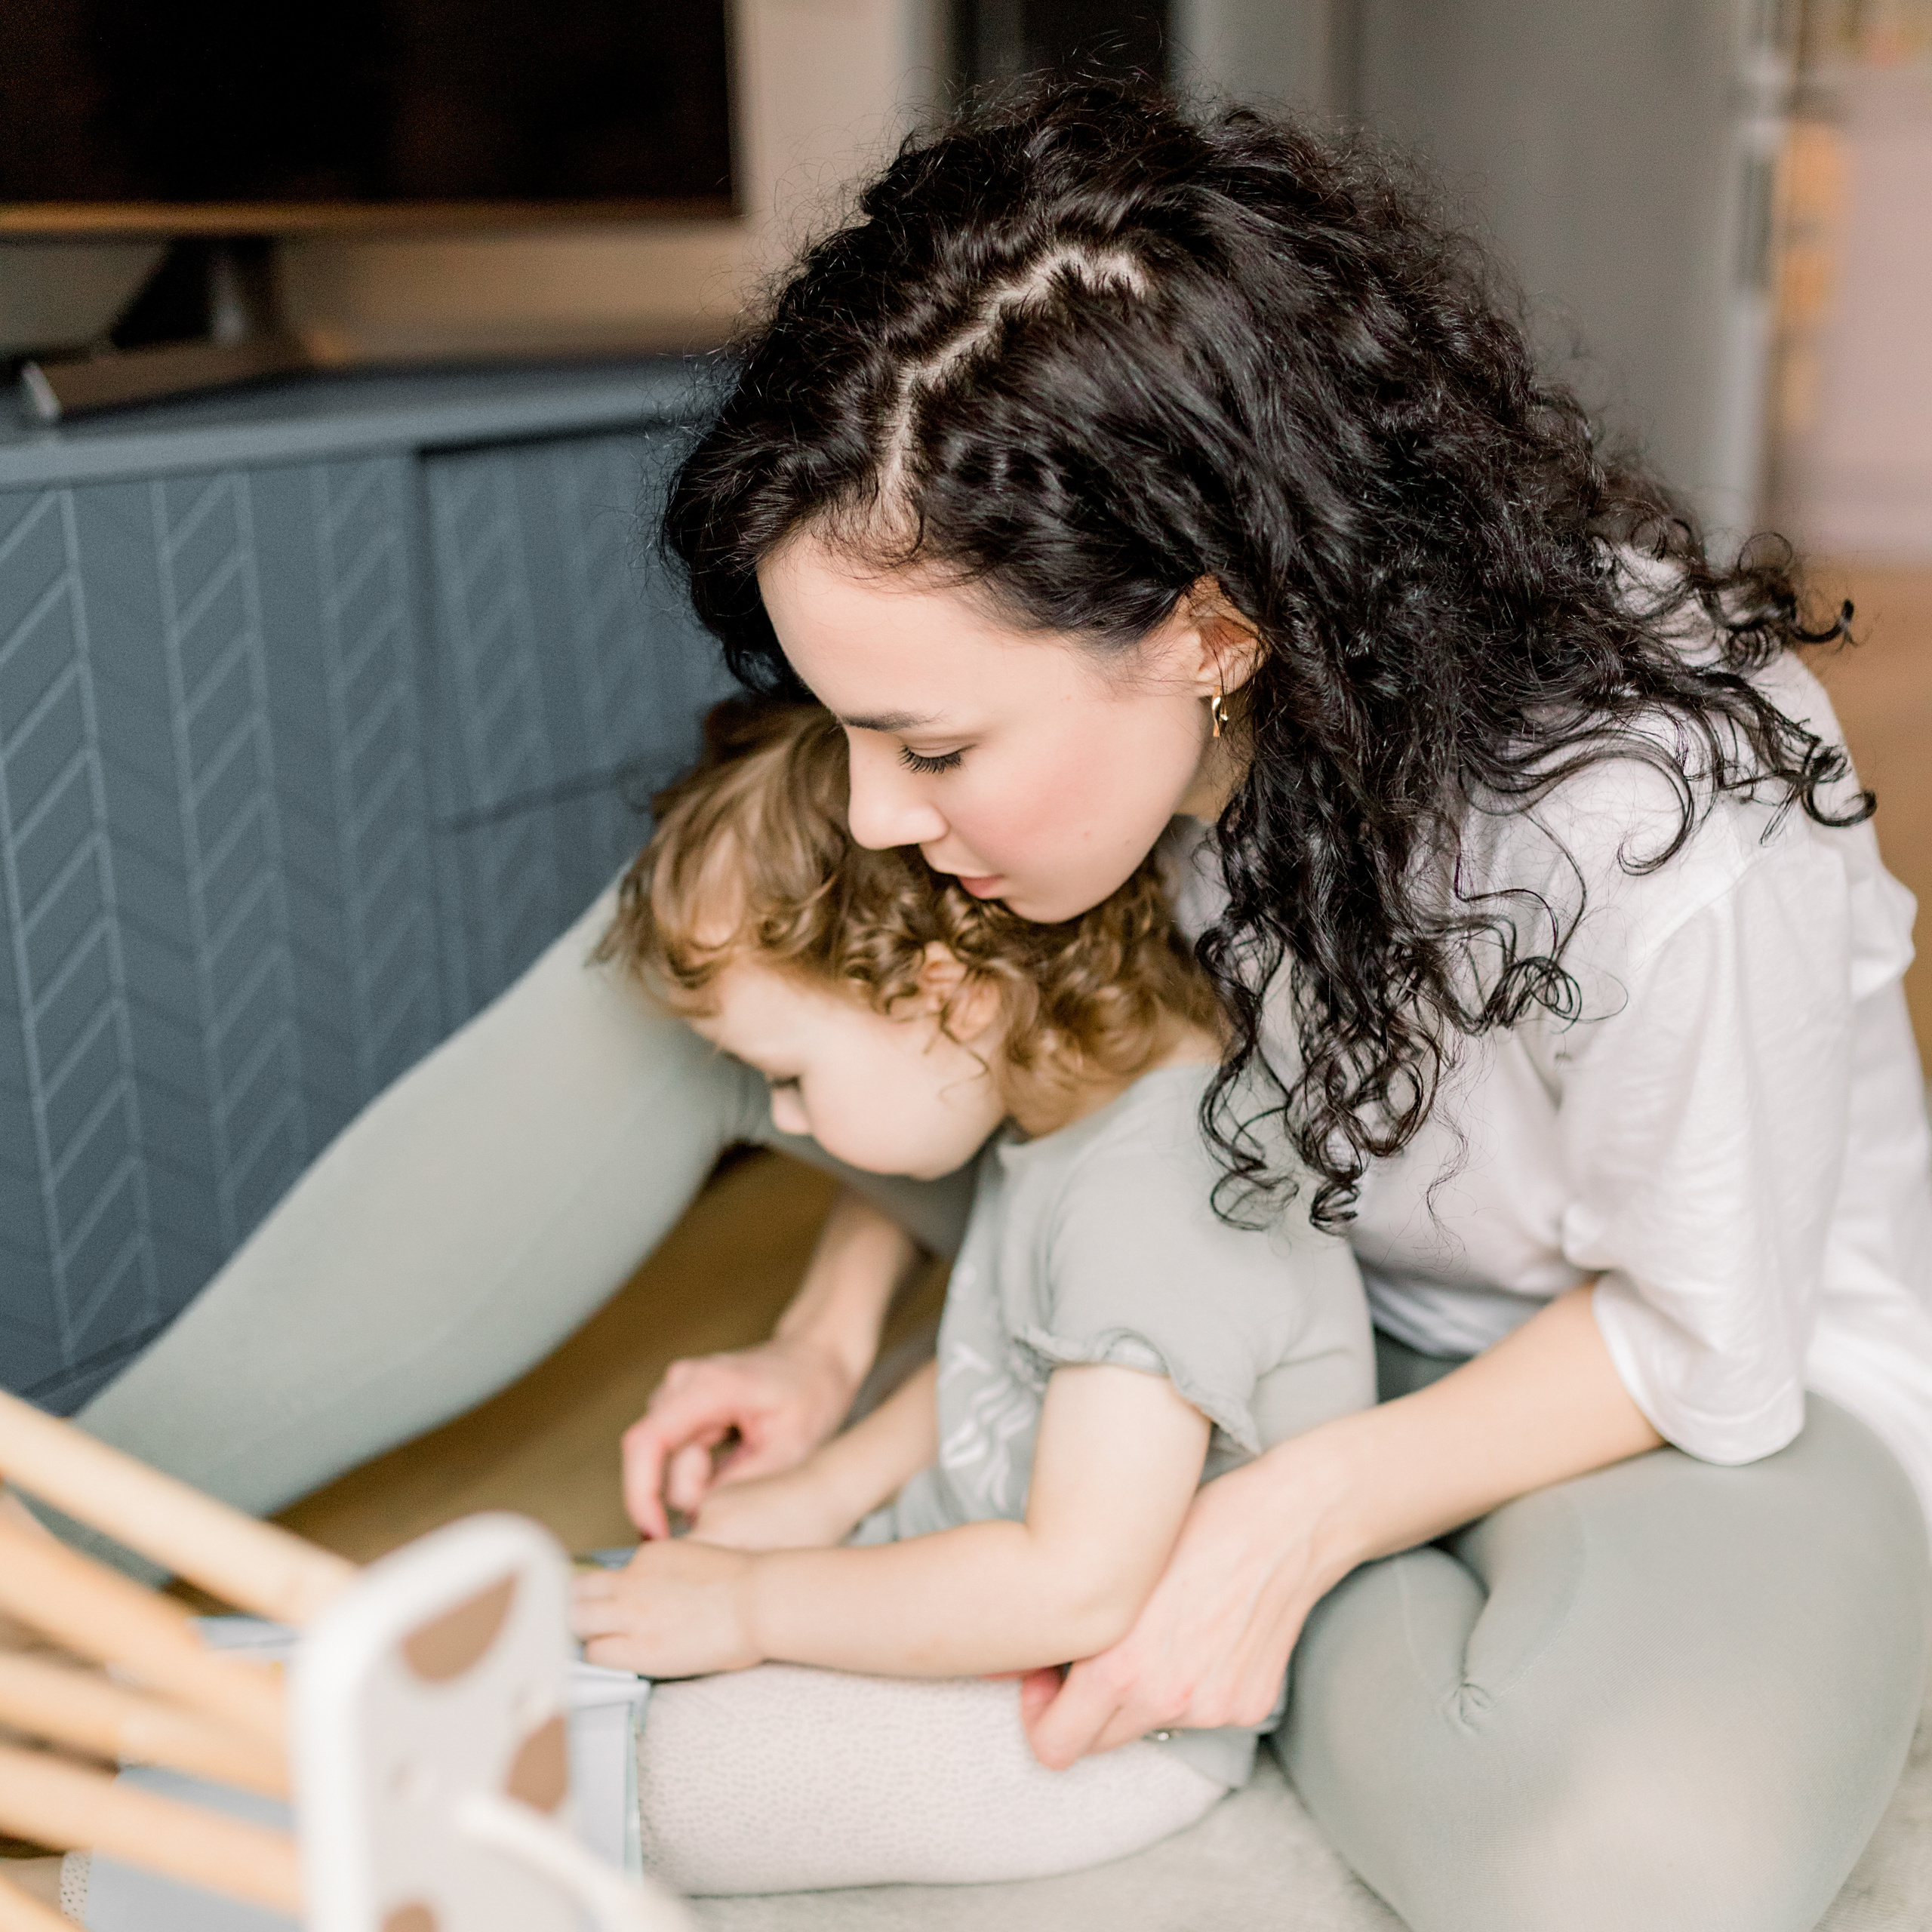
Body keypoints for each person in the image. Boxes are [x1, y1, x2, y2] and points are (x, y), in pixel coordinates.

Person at [52, 79, 1932, 1931]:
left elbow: (1712, 1335)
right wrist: (823, 1328)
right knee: (706, 934)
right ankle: (61, 1539)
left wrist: (1282, 1517)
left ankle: (1132, 1584)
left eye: (931, 739)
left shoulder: (1670, 816)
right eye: (850, 722)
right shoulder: (1074, 697)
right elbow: (936, 1029)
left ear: (1210, 629)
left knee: (1627, 1871)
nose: (875, 805)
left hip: (1634, 1372)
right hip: (1232, 1243)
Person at [568, 700, 1371, 1893]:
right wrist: (826, 1492)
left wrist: (754, 1607)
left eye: (788, 1075)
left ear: (949, 993)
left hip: (1099, 1712)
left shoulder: (1153, 1200)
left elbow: (1075, 1587)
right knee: (609, 1636)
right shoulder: (1066, 1115)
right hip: (976, 1590)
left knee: (670, 1777)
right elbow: (1002, 1358)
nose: (785, 1120)